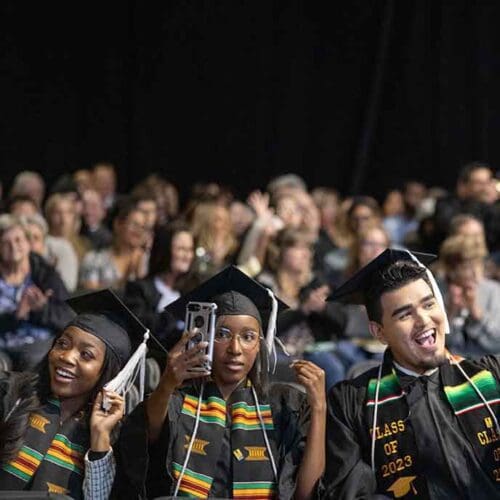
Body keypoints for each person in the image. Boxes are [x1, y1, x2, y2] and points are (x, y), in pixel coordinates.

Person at [113, 266, 326, 499]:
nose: (235, 349)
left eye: (248, 337)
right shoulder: (178, 401)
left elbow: (306, 493)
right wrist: (166, 383)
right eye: (223, 334)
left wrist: (319, 408)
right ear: (204, 338)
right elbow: (146, 439)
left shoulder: (284, 406)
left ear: (259, 345)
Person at [324, 248, 500, 499]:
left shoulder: (490, 376)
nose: (424, 319)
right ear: (379, 332)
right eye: (405, 314)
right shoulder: (354, 403)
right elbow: (347, 492)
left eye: (429, 304)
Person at [0, 288, 151, 499]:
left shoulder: (116, 436)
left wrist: (100, 436)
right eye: (63, 344)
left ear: (108, 373)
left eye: (86, 355)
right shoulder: (11, 395)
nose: (67, 357)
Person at [0, 214, 73, 370]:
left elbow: (68, 316)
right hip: (2, 346)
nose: (13, 247)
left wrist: (42, 309)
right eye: (6, 243)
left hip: (39, 343)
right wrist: (17, 315)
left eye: (18, 240)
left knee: (33, 359)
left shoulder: (45, 273)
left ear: (28, 243)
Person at [123, 222, 195, 350]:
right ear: (165, 250)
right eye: (181, 249)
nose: (187, 256)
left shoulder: (191, 292)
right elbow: (141, 332)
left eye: (190, 250)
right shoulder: (139, 290)